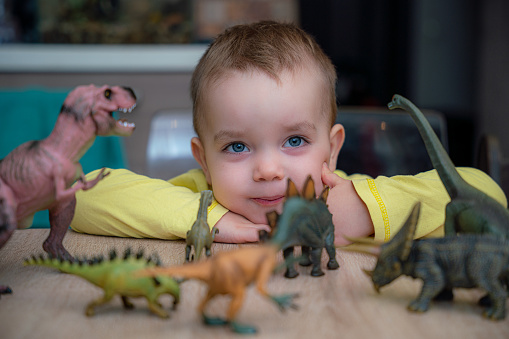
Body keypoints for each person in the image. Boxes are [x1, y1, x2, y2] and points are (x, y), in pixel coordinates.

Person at [70, 21, 507, 245]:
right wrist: (215, 222)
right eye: (236, 146)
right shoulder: (199, 195)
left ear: (331, 149)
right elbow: (77, 196)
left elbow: (484, 190)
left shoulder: (345, 199)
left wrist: (364, 213)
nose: (267, 169)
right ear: (203, 160)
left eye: (295, 140)